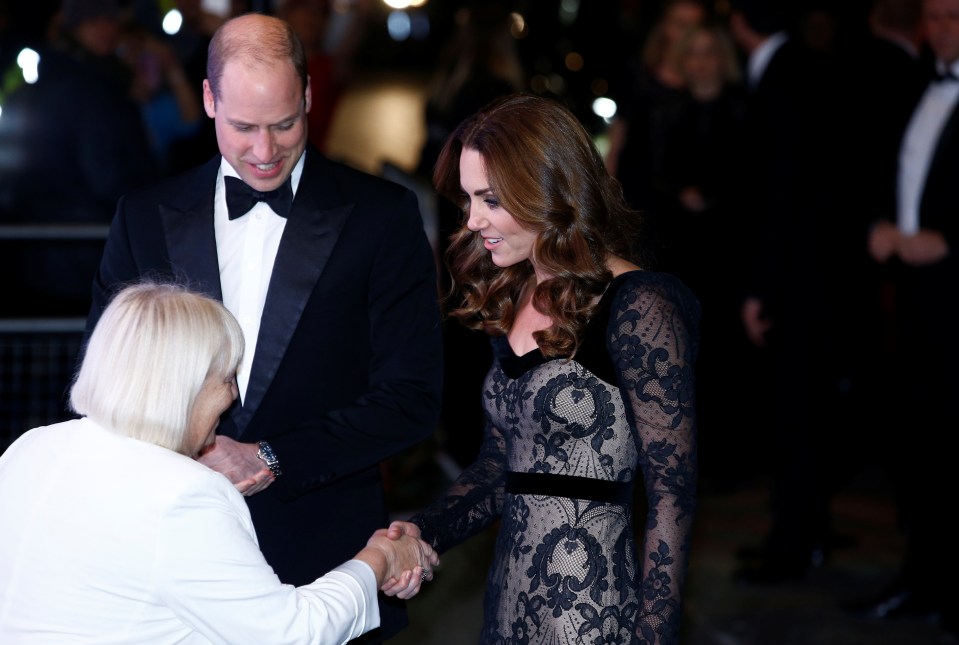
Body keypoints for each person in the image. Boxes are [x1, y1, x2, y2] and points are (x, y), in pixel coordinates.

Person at [83, 12, 444, 644]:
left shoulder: (381, 218)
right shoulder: (142, 216)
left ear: (308, 95)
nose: (264, 150)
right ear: (207, 100)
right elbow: (106, 385)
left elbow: (411, 398)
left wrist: (272, 456)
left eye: (285, 124)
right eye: (242, 127)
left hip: (324, 549)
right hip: (168, 561)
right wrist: (192, 453)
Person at [388, 93, 701, 645]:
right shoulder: (513, 291)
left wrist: (656, 636)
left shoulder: (638, 305)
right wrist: (422, 529)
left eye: (490, 199)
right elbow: (500, 467)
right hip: (506, 609)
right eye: (468, 198)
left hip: (595, 617)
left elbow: (672, 493)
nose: (472, 218)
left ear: (547, 190)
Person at [0, 281, 439, 643]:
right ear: (181, 387)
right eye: (227, 378)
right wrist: (380, 556)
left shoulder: (31, 447)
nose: (233, 397)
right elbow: (292, 635)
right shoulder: (182, 494)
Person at [726, 0, 860, 584]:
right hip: (826, 275)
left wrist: (759, 289)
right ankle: (810, 532)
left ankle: (793, 543)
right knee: (809, 412)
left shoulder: (781, 79)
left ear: (739, 20)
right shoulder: (816, 66)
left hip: (795, 281)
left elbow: (779, 197)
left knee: (794, 416)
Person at [843, 0, 959, 636]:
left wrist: (948, 240)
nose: (942, 27)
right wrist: (883, 226)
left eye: (955, 16)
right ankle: (922, 579)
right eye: (935, 15)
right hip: (915, 298)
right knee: (919, 445)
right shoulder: (921, 85)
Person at [0, 0, 158, 317]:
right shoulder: (91, 88)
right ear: (74, 26)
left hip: (42, 255)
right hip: (81, 258)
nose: (106, 27)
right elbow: (108, 177)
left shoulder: (56, 80)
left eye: (112, 19)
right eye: (94, 20)